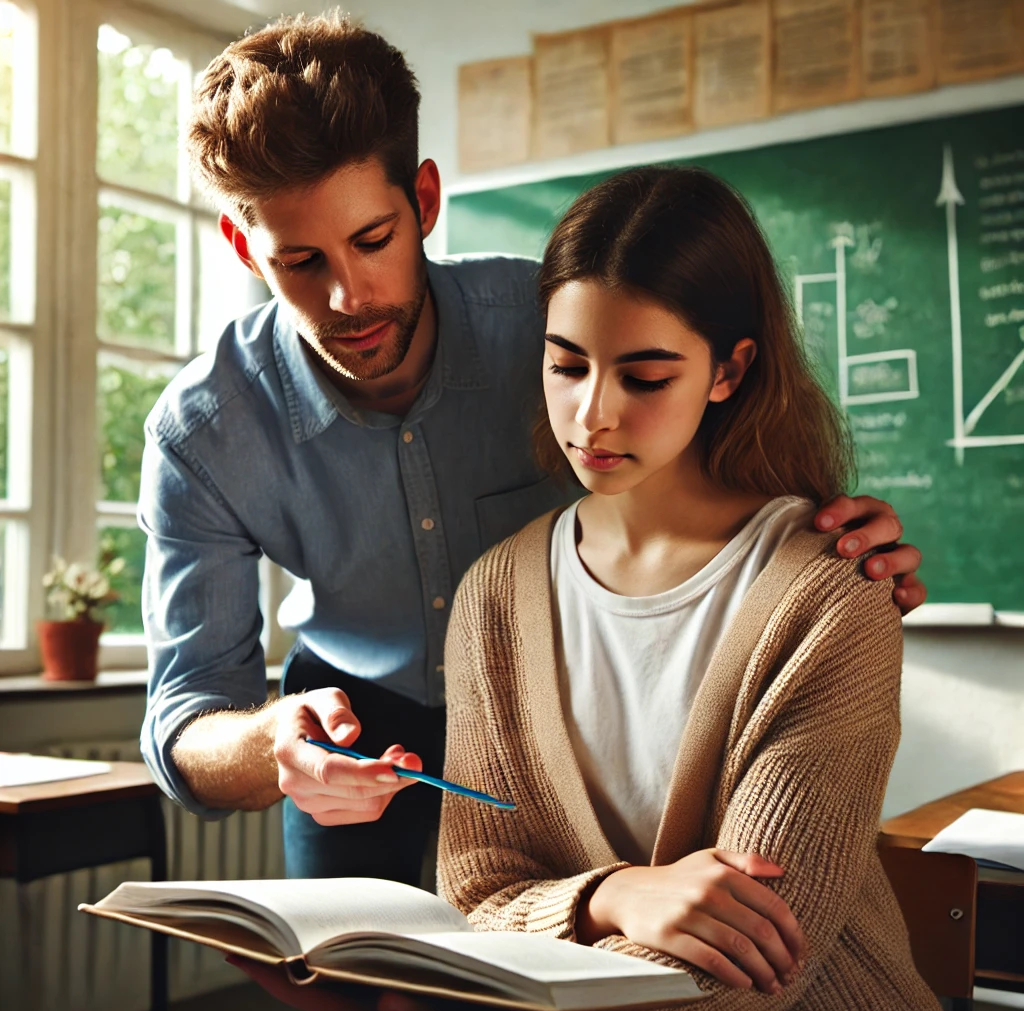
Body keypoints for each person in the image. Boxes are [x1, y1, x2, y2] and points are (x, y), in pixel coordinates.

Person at [140, 11, 925, 895]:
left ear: (425, 202)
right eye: (299, 263)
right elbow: (184, 717)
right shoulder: (202, 433)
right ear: (245, 248)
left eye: (372, 241)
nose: (349, 295)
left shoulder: (554, 328)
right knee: (361, 989)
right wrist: (272, 743)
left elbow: (710, 444)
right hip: (352, 738)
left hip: (558, 726)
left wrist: (828, 537)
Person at [431, 167, 947, 1011]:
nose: (592, 415)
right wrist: (613, 896)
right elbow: (475, 892)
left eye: (644, 377)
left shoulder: (833, 597)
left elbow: (750, 965)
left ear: (729, 369)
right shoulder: (492, 598)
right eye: (566, 364)